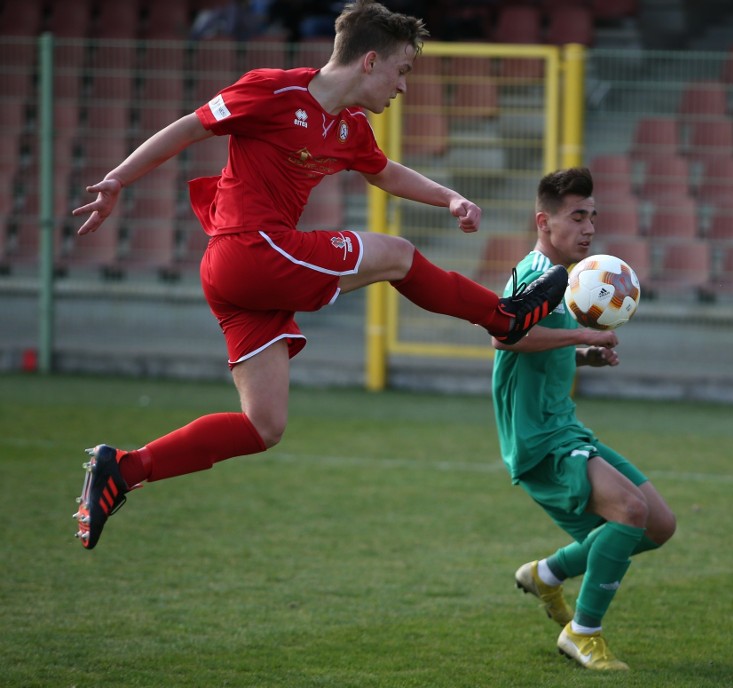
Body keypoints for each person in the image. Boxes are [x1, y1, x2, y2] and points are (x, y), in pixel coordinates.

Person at [71, 0, 567, 550]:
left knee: (264, 425)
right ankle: (504, 317)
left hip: (243, 275)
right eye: (402, 71)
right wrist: (117, 179)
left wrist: (448, 196)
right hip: (250, 248)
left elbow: (385, 173)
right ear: (370, 61)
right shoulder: (274, 90)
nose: (403, 87)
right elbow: (189, 128)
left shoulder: (350, 126)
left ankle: (124, 469)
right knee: (397, 255)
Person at [490, 168, 676, 671]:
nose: (589, 227)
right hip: (539, 438)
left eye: (593, 215)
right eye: (577, 216)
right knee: (629, 513)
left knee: (658, 524)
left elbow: (537, 350)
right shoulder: (536, 277)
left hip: (564, 427)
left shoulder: (567, 279)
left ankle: (548, 574)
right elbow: (504, 336)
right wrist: (582, 338)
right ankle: (583, 632)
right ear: (543, 222)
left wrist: (582, 357)